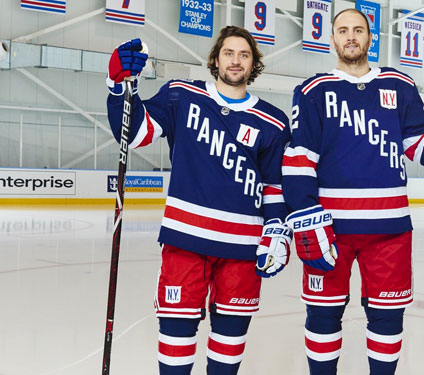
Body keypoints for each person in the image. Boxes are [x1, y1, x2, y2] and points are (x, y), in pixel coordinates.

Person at [281, 9, 424, 375]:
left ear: (370, 37)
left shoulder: (400, 85)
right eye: (343, 31)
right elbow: (299, 158)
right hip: (330, 229)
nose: (351, 36)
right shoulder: (313, 90)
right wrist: (304, 217)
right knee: (322, 312)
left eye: (358, 30)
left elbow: (423, 146)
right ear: (332, 39)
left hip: (390, 230)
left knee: (387, 318)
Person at [106, 26, 292, 375]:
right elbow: (135, 132)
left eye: (244, 55)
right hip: (185, 241)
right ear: (215, 59)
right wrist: (117, 87)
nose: (236, 60)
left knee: (230, 339)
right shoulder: (181, 96)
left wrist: (278, 230)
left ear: (253, 64)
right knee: (176, 336)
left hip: (242, 249)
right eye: (229, 53)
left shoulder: (273, 122)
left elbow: (274, 187)